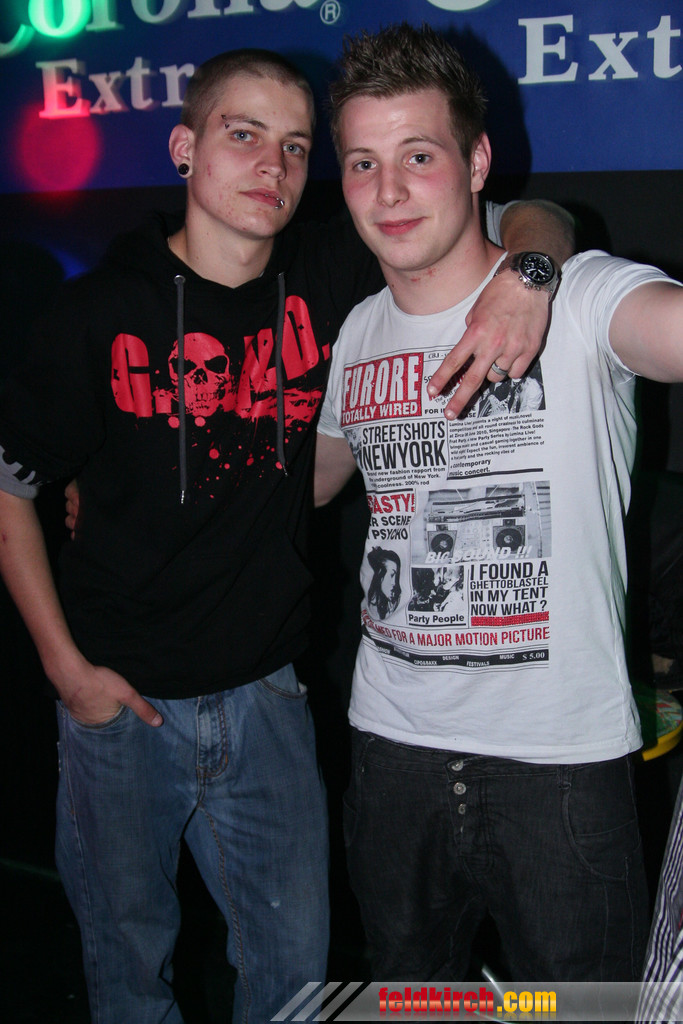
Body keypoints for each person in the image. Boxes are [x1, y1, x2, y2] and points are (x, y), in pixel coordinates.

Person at [0, 44, 574, 1024]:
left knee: (296, 984)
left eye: (297, 146)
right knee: (127, 975)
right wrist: (67, 672)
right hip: (121, 707)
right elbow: (10, 487)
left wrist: (527, 276)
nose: (271, 164)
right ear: (184, 147)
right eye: (243, 135)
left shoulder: (327, 269)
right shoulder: (99, 311)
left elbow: (537, 216)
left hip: (268, 700)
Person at [315, 22, 683, 984]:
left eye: (418, 156)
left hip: (557, 765)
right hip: (390, 751)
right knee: (412, 1001)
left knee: (575, 1012)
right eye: (362, 163)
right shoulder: (356, 333)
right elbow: (302, 483)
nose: (388, 192)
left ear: (477, 162)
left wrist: (533, 270)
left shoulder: (577, 294)